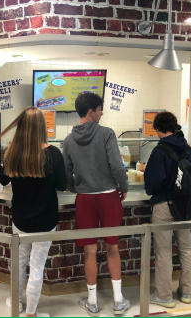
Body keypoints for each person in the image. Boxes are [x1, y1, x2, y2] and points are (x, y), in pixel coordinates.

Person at [0, 106, 67, 318]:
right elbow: (63, 185)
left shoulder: (13, 153)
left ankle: (17, 303)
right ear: (41, 127)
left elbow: (3, 179)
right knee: (37, 267)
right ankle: (31, 313)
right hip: (46, 221)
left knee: (19, 264)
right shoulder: (54, 154)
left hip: (20, 220)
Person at [63, 92, 130, 317]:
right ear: (91, 111)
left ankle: (92, 302)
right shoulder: (107, 134)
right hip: (109, 196)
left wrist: (77, 188)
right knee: (112, 246)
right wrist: (124, 187)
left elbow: (66, 174)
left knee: (89, 250)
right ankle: (118, 301)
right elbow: (118, 167)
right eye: (100, 109)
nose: (102, 114)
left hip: (85, 198)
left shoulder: (69, 140)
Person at [144, 112, 191, 308]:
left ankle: (164, 295)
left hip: (164, 206)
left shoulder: (159, 151)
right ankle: (186, 292)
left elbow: (152, 183)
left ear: (158, 129)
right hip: (185, 206)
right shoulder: (189, 150)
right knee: (186, 249)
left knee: (164, 252)